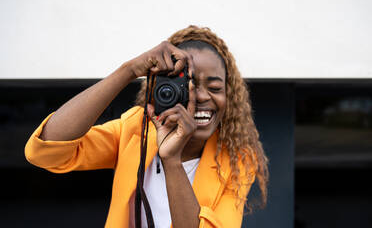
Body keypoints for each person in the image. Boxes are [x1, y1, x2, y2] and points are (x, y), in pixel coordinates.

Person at [24, 25, 269, 228]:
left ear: (231, 96)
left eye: (215, 88)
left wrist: (171, 159)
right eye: (188, 86)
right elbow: (46, 151)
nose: (201, 96)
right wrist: (128, 71)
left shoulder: (238, 160)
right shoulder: (135, 131)